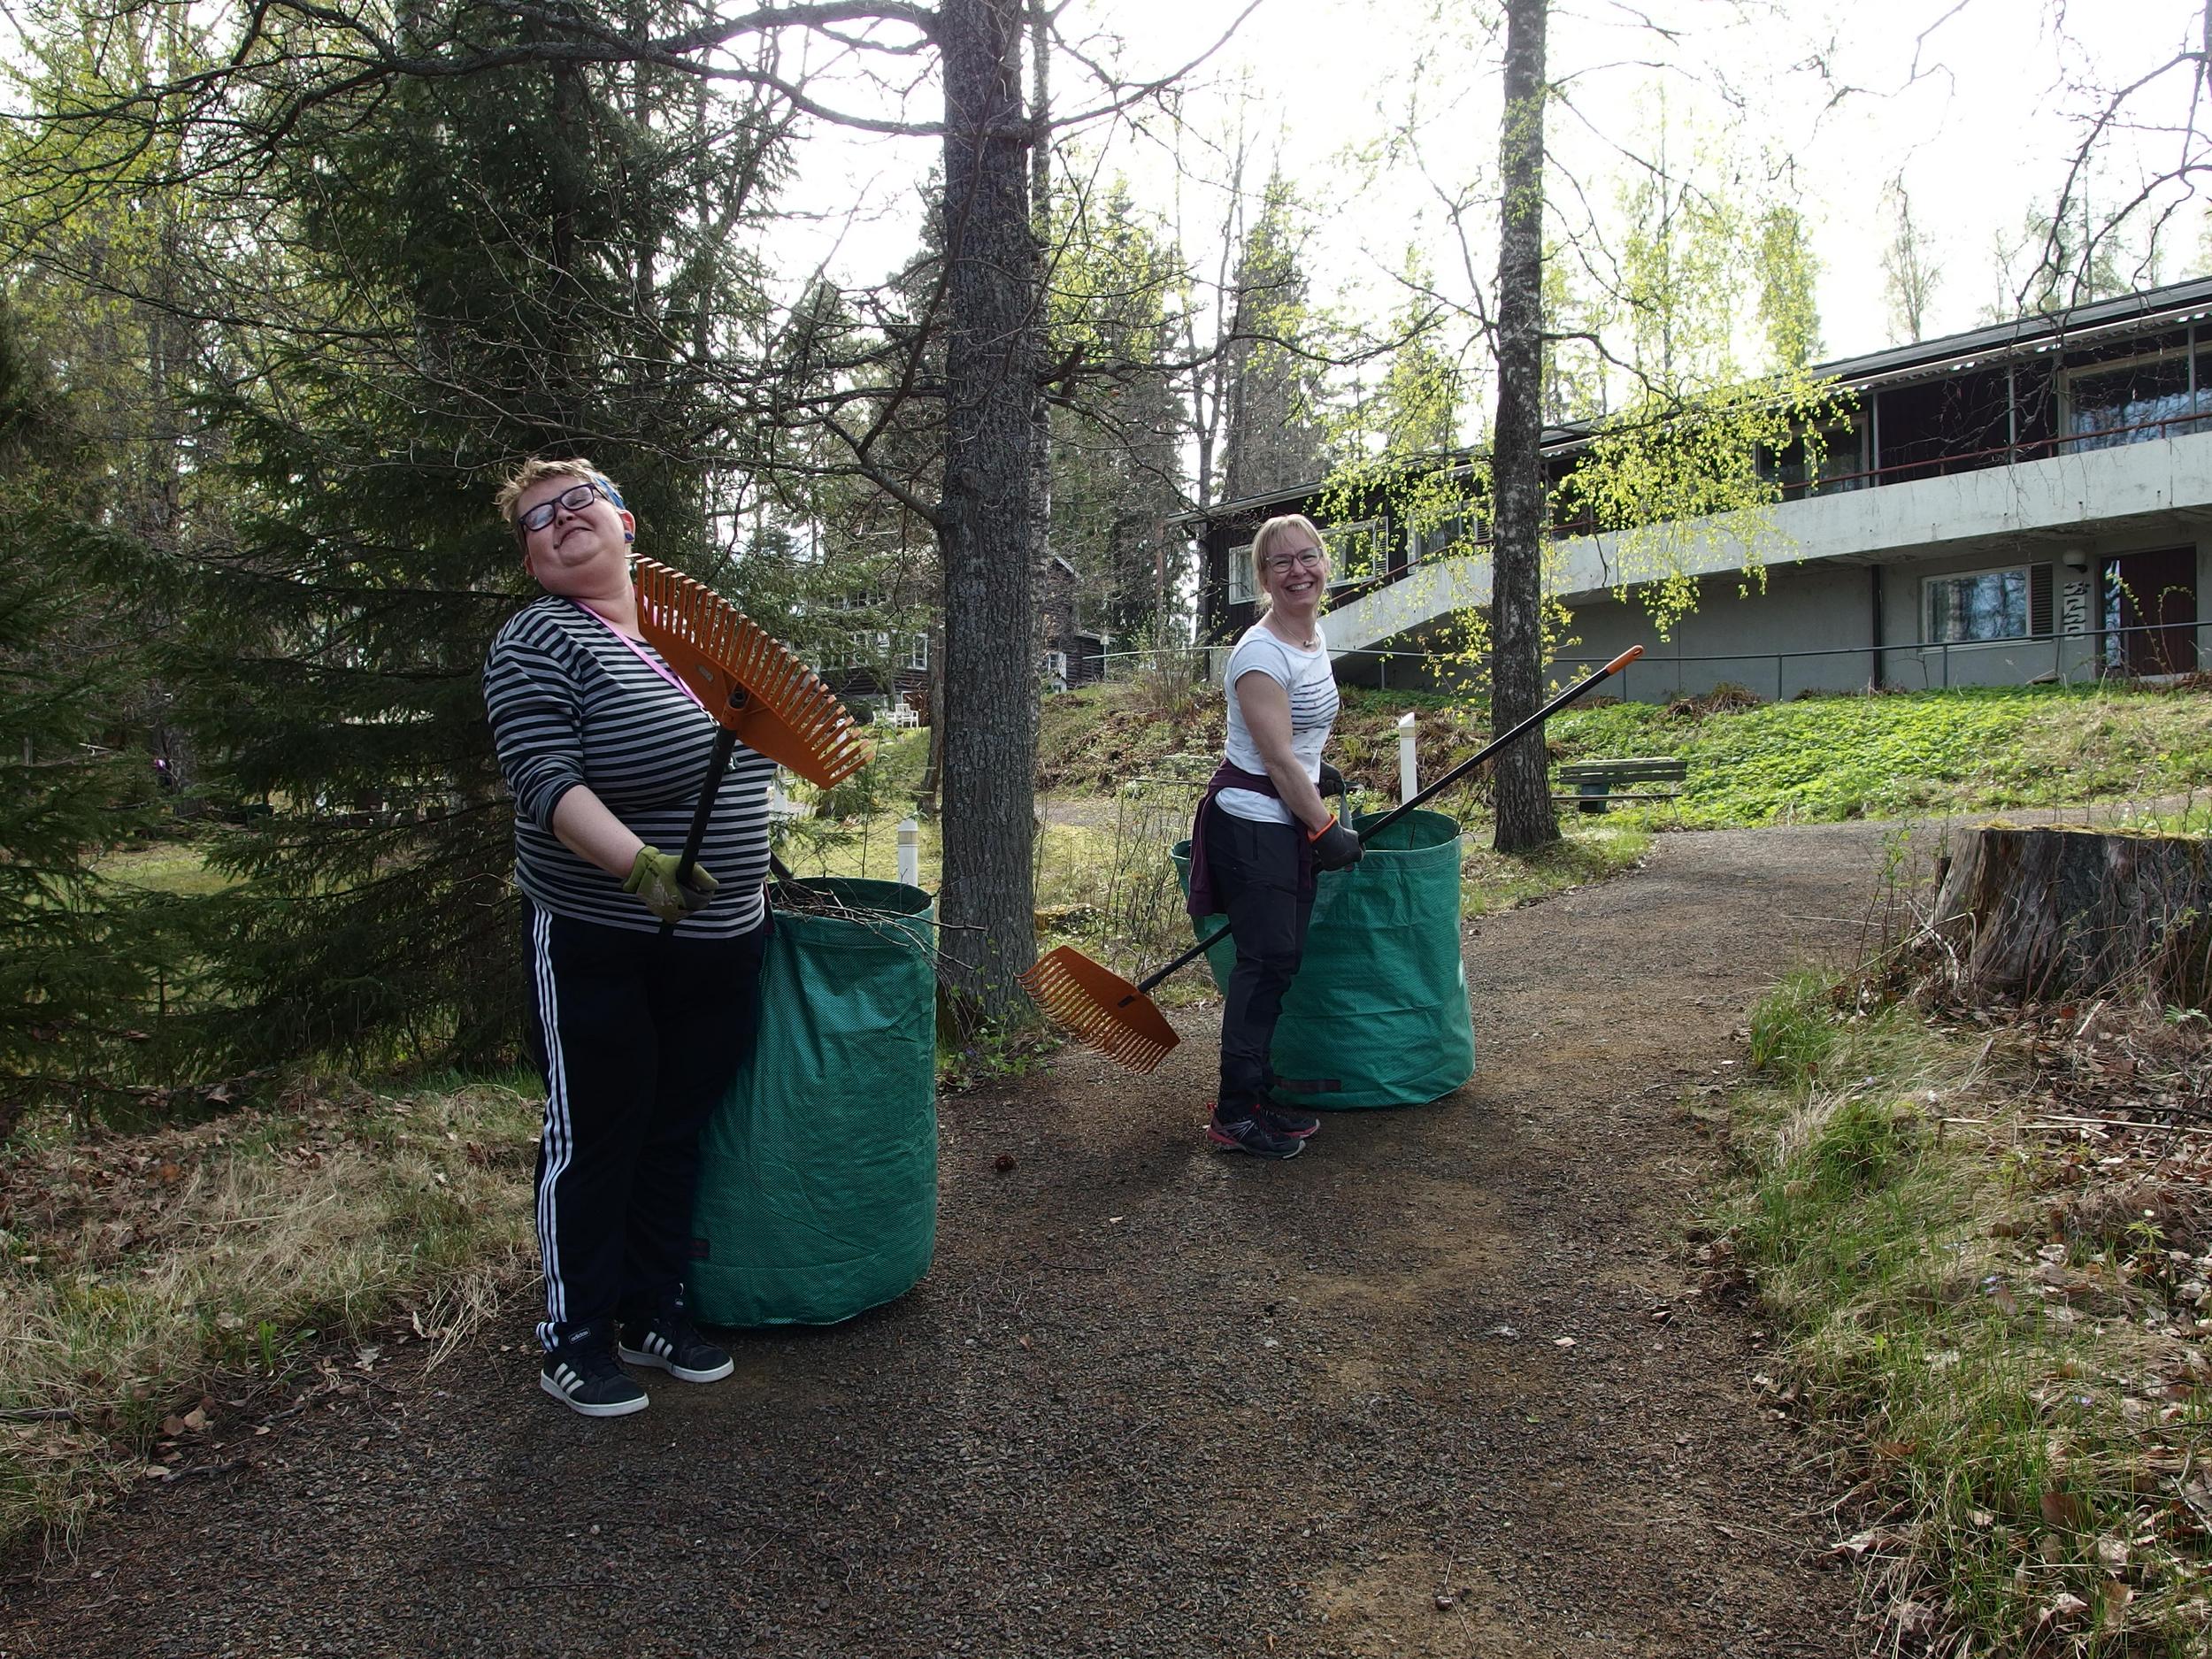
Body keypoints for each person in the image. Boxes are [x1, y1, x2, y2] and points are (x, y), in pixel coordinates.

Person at [482, 457, 776, 1417]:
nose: (562, 520)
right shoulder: (538, 639)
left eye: (579, 502)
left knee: (676, 1125)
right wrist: (638, 867)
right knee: (598, 1128)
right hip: (600, 929)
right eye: (538, 520)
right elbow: (546, 782)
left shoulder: (697, 635)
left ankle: (653, 1309)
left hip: (723, 934)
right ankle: (573, 1334)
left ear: (626, 521)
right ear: (532, 561)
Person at [1184, 513, 1363, 1160]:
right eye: (1281, 562)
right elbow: (1277, 760)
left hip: (1286, 812)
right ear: (1262, 576)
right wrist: (1325, 827)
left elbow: (1297, 742)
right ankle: (1234, 1114)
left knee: (1279, 962)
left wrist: (1319, 771)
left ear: (1325, 564)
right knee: (1263, 966)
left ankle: (1256, 1097)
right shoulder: (1260, 653)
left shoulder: (1311, 638)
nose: (1298, 571)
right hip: (1255, 823)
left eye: (1308, 556)